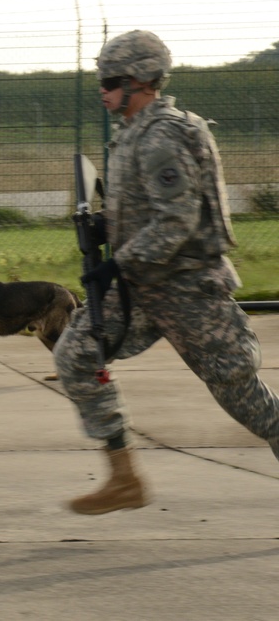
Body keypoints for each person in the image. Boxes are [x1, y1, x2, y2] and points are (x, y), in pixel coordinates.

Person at [53, 30, 279, 514]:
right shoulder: (133, 133)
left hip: (187, 288)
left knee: (241, 394)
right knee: (75, 355)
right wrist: (102, 229)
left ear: (142, 82)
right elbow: (142, 210)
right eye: (101, 79)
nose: (103, 88)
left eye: (111, 80)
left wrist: (118, 260)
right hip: (140, 287)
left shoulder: (163, 136)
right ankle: (124, 477)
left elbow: (177, 222)